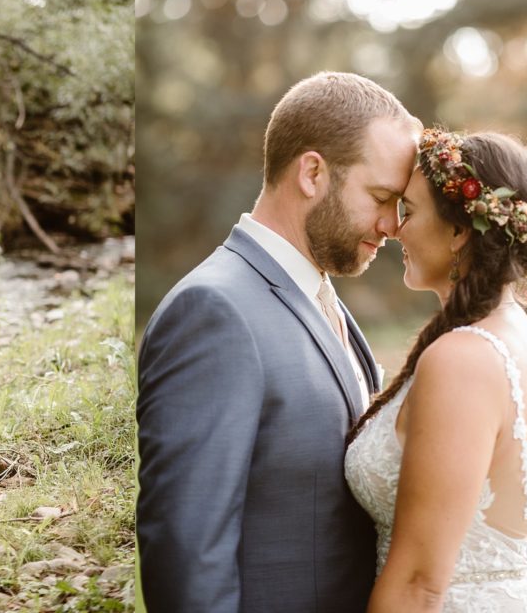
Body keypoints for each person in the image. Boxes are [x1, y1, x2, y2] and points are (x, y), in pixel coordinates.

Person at [137, 71, 421, 612]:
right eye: (382, 197)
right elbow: (185, 550)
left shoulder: (318, 294)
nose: (392, 225)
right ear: (312, 172)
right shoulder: (214, 311)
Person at [345, 128, 527, 612]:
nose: (393, 228)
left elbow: (418, 583)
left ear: (459, 230)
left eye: (408, 210)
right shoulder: (516, 337)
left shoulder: (464, 360)